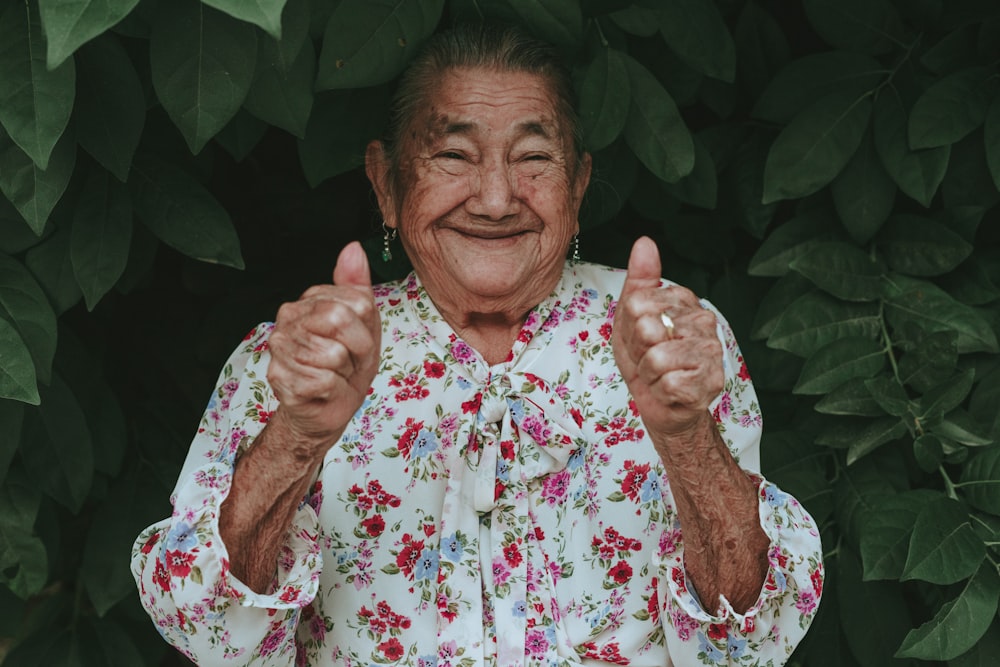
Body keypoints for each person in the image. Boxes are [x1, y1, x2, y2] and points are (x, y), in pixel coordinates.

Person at [132, 23, 822, 667]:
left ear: (578, 185)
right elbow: (210, 633)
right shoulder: (303, 355)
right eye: (455, 155)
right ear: (386, 181)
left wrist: (686, 436)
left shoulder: (669, 335)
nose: (495, 198)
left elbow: (749, 647)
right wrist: (298, 436)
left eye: (532, 157)